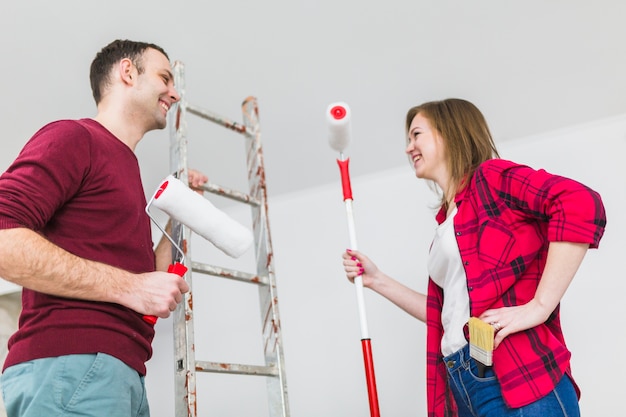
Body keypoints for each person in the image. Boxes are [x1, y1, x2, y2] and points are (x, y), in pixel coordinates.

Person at [342, 98, 606, 417]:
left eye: (416, 135)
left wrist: (539, 306)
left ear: (448, 132)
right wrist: (376, 280)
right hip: (463, 382)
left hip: (514, 373)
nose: (408, 147)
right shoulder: (445, 222)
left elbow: (579, 202)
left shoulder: (491, 179)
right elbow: (444, 314)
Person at [0, 39, 207, 417]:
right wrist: (131, 286)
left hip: (116, 372)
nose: (174, 93)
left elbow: (149, 286)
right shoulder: (76, 138)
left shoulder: (127, 173)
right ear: (128, 72)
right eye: (164, 77)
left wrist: (180, 210)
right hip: (74, 367)